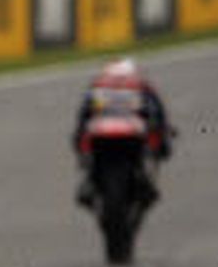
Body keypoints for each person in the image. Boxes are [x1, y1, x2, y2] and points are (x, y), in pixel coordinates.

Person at [72, 57, 174, 207]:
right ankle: (142, 182)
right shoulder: (141, 86)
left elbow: (83, 117)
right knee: (151, 148)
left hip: (107, 136)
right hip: (125, 136)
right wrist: (163, 138)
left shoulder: (98, 86)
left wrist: (79, 141)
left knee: (88, 151)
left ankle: (90, 182)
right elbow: (158, 114)